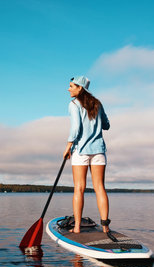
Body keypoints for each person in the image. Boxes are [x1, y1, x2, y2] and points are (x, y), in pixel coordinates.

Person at [63, 76, 111, 234]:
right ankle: (105, 227)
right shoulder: (97, 103)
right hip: (99, 151)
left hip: (81, 151)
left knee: (79, 188)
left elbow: (76, 128)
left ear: (80, 88)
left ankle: (77, 227)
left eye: (71, 86)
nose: (68, 89)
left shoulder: (74, 104)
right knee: (100, 188)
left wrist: (68, 146)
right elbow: (106, 125)